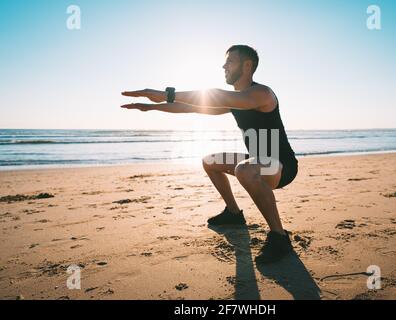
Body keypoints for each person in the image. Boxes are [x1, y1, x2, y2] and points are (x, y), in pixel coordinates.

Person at [121, 45, 299, 264]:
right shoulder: (235, 100)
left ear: (247, 65)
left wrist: (167, 94)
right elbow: (191, 107)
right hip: (258, 163)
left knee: (243, 168)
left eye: (230, 61)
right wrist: (151, 107)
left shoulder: (261, 93)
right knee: (210, 161)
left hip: (282, 167)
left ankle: (279, 238)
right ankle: (234, 214)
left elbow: (217, 96)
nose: (224, 66)